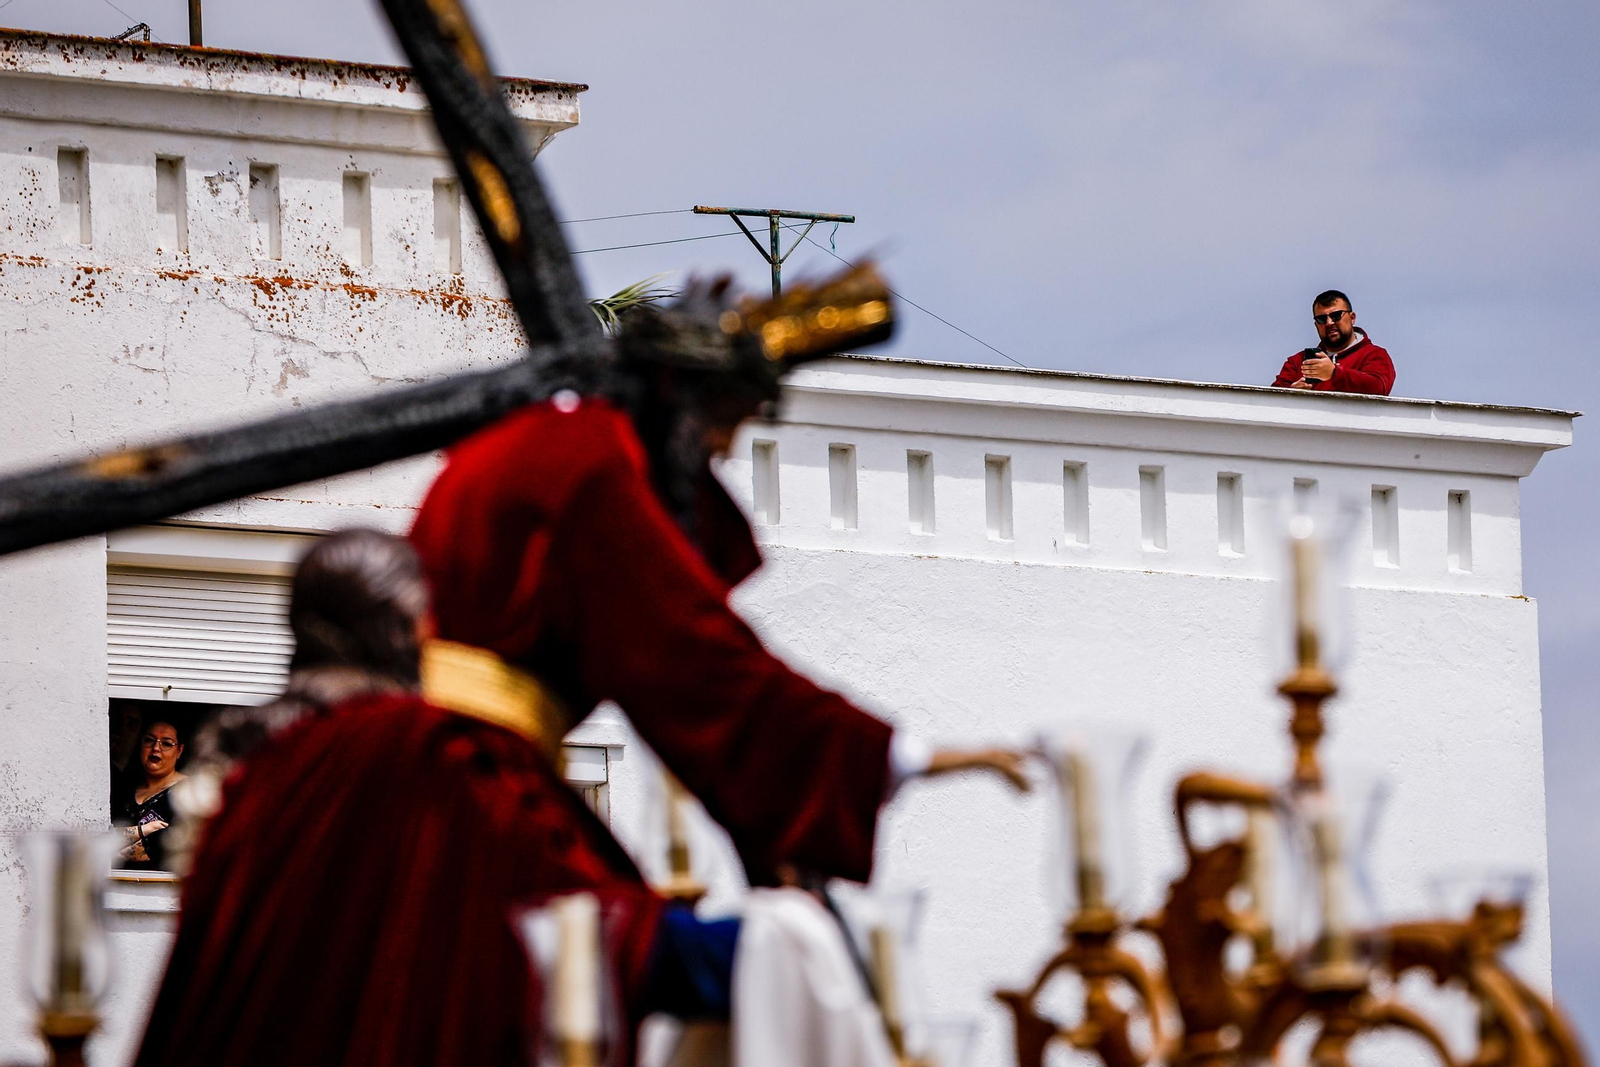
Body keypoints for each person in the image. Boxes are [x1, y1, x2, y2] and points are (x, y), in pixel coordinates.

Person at [135, 267, 1028, 1067]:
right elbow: (696, 658)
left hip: (374, 767)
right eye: (729, 422)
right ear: (679, 395)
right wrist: (898, 756)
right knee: (629, 957)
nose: (725, 451)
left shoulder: (546, 441)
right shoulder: (589, 461)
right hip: (453, 787)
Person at [1271, 289, 1395, 395]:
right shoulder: (1297, 362)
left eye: (1336, 315)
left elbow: (1378, 388)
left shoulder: (1373, 355)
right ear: (1316, 325)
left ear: (1352, 318)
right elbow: (1271, 402)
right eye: (1321, 319)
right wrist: (1292, 393)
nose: (1329, 322)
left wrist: (1334, 373)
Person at [114, 718, 186, 870]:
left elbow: (163, 846)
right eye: (149, 740)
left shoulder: (186, 794)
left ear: (179, 751)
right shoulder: (123, 787)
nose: (156, 748)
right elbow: (100, 836)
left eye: (166, 743)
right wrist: (144, 830)